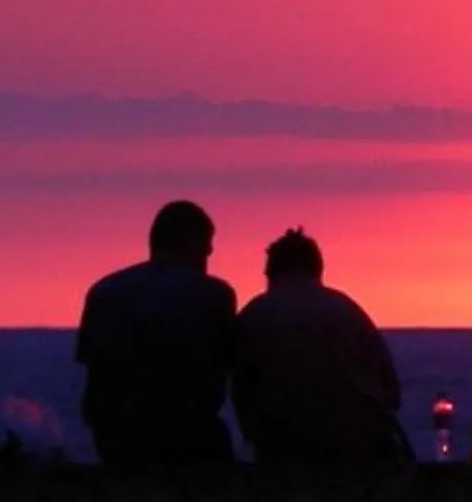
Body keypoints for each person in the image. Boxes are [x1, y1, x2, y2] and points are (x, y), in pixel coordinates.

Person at [74, 200, 238, 464]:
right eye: (207, 244)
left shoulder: (105, 291)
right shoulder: (214, 294)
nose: (210, 251)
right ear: (193, 243)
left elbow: (93, 370)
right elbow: (225, 367)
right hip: (188, 436)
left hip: (117, 438)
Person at [232, 228, 411, 468]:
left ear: (270, 273)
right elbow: (390, 391)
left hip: (283, 451)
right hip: (359, 451)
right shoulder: (349, 312)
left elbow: (243, 392)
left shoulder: (255, 314)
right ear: (318, 269)